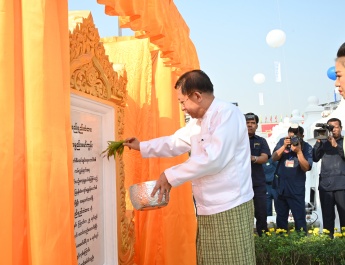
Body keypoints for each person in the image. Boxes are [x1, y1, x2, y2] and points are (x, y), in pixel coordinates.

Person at [123, 70, 256, 264]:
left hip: (230, 204)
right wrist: (141, 146)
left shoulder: (227, 114)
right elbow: (174, 142)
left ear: (197, 96)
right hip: (207, 206)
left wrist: (169, 175)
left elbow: (214, 159)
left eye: (182, 102)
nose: (182, 108)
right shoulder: (198, 122)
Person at [272, 124, 313, 232]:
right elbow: (274, 158)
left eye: (296, 137)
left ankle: (301, 243)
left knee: (299, 218)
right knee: (281, 219)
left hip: (296, 189)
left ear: (302, 136)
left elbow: (306, 167)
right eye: (291, 136)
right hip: (281, 188)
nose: (293, 139)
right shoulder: (282, 142)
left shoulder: (307, 147)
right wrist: (284, 146)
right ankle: (282, 242)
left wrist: (299, 152)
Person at [312, 118, 345, 237]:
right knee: (327, 218)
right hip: (326, 185)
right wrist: (319, 141)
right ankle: (329, 247)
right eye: (330, 127)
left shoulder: (343, 141)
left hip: (342, 185)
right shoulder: (323, 142)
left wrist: (336, 145)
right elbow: (315, 158)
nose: (333, 130)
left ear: (340, 128)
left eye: (335, 127)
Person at [245, 112, 270, 235]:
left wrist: (252, 158)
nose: (250, 125)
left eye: (253, 123)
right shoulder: (235, 140)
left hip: (258, 184)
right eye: (247, 123)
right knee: (244, 217)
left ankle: (263, 241)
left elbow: (264, 158)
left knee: (261, 214)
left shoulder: (261, 141)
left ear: (257, 125)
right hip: (241, 185)